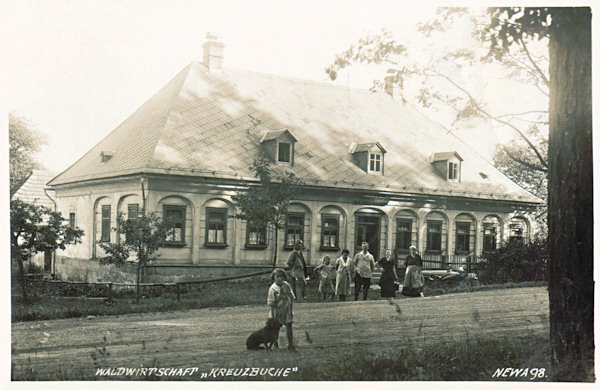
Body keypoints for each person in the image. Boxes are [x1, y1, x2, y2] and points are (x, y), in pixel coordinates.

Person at [267, 268, 297, 351]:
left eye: (282, 277)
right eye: (278, 277)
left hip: (286, 309)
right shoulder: (272, 288)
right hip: (277, 310)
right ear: (274, 278)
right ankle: (275, 342)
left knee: (289, 326)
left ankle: (290, 344)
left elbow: (291, 297)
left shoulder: (286, 285)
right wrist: (272, 317)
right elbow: (271, 304)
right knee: (276, 328)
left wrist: (290, 310)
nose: (280, 279)